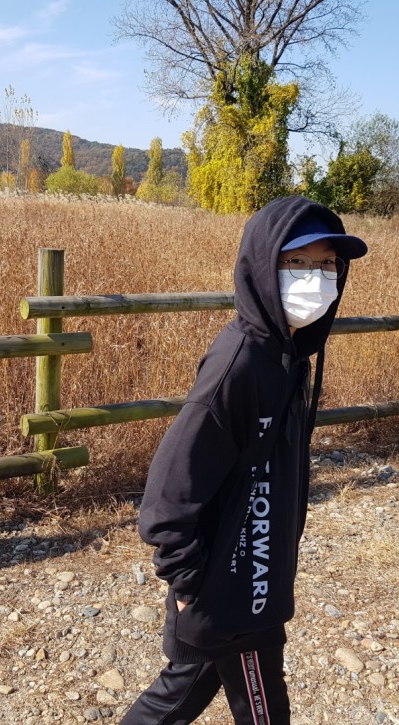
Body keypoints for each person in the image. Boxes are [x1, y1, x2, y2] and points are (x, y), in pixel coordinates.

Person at [121, 195, 368, 724]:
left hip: (253, 579)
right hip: (232, 591)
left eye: (328, 264)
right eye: (297, 262)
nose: (316, 278)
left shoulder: (288, 356)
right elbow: (168, 497)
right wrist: (188, 583)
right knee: (257, 705)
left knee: (180, 694)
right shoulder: (240, 364)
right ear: (262, 266)